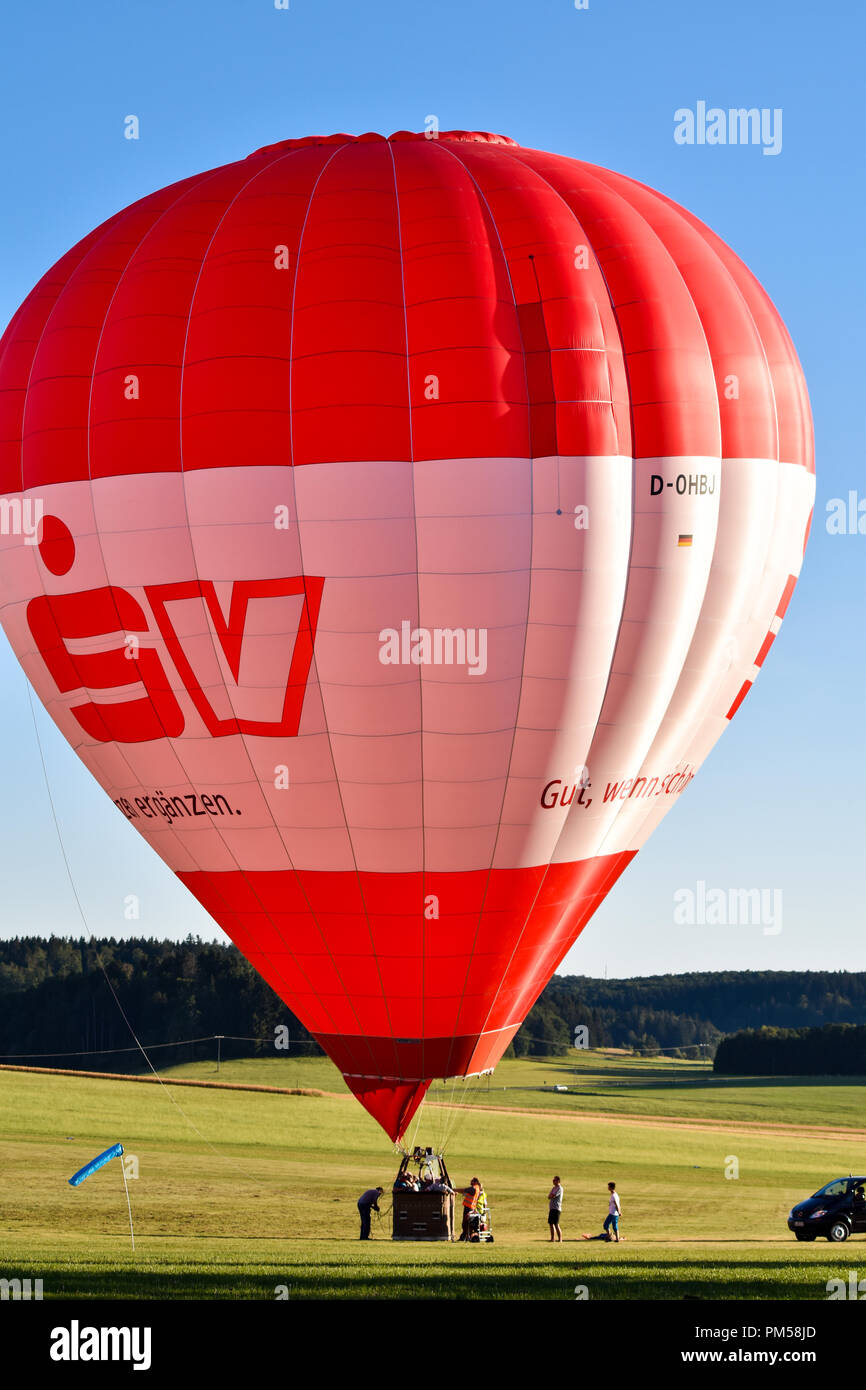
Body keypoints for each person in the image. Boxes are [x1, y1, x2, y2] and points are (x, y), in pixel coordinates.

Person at [548, 1175, 564, 1242]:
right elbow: (549, 1196)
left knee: (556, 1224)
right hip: (552, 1208)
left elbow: (553, 1195)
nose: (553, 1181)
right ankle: (552, 1239)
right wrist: (551, 1196)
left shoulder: (560, 1188)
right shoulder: (554, 1188)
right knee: (551, 1224)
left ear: (558, 1181)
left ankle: (560, 1239)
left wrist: (551, 1196)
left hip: (556, 1208)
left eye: (554, 1180)